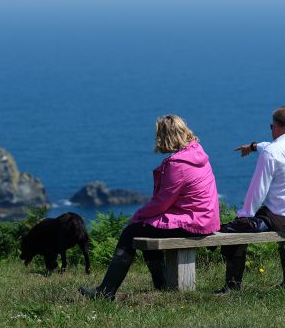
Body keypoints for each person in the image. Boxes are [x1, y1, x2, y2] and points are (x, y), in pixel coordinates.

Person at [79, 115, 220, 300]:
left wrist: (137, 215)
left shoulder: (178, 164)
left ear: (165, 136)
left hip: (193, 222)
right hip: (205, 218)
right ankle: (161, 286)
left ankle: (106, 292)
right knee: (148, 227)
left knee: (131, 232)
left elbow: (162, 202)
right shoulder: (197, 153)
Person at [215, 106, 285, 294]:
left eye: (271, 126)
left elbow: (258, 190)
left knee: (239, 228)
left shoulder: (271, 153)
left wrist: (245, 216)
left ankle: (232, 287)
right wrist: (255, 146)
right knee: (281, 211)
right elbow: (277, 146)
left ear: (277, 127)